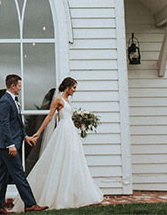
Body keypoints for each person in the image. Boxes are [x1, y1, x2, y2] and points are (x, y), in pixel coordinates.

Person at [12, 77, 103, 212]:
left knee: (74, 161)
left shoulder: (67, 101)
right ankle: (56, 195)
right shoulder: (58, 100)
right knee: (60, 160)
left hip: (71, 132)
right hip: (63, 132)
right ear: (67, 87)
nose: (74, 90)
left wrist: (80, 124)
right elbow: (50, 117)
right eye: (73, 87)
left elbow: (67, 117)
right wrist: (38, 132)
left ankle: (73, 194)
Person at [0, 74, 49, 214]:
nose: (20, 89)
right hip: (7, 146)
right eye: (19, 86)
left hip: (5, 144)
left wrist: (25, 136)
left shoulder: (12, 100)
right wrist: (10, 145)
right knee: (19, 174)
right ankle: (30, 204)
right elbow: (4, 124)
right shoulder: (5, 101)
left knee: (1, 176)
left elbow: (14, 124)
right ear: (12, 86)